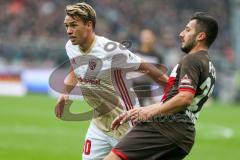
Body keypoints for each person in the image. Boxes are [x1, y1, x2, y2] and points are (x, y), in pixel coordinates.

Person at [55, 2, 168, 160]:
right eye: (67, 26)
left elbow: (147, 68)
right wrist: (64, 93)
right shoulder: (70, 47)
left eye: (73, 25)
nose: (69, 31)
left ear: (88, 25)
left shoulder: (111, 49)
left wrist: (174, 91)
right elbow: (75, 67)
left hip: (126, 123)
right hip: (99, 124)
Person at [104, 12, 218, 160]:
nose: (181, 33)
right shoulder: (209, 66)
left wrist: (151, 111)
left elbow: (185, 98)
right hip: (184, 136)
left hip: (164, 127)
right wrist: (144, 109)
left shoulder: (192, 59)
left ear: (200, 36)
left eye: (188, 30)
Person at [132, 29, 163, 106]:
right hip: (134, 87)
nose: (147, 39)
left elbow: (161, 74)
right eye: (145, 36)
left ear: (153, 38)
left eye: (149, 36)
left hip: (150, 89)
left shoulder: (157, 56)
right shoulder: (134, 53)